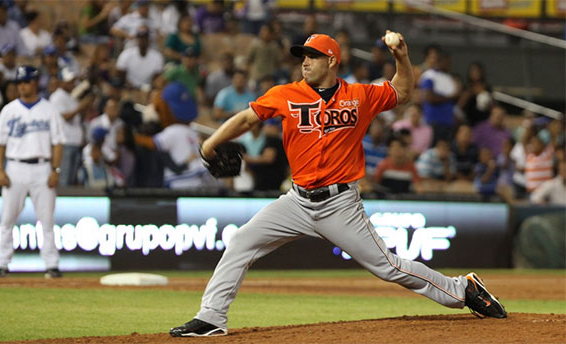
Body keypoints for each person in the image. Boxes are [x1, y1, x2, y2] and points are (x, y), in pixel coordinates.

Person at [169, 32, 506, 337]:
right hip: (296, 201)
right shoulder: (285, 94)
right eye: (303, 56)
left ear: (331, 60)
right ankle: (211, 316)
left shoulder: (358, 95)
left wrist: (401, 57)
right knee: (241, 242)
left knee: (388, 267)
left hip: (339, 204)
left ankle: (463, 289)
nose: (305, 61)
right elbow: (246, 118)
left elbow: (402, 91)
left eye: (313, 56)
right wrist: (210, 144)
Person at [0, 65, 66, 278]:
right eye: (20, 82)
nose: (22, 86)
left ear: (35, 83)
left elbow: (58, 143)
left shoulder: (48, 109)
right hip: (15, 167)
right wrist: (0, 170)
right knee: (7, 219)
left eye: (26, 82)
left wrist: (55, 170)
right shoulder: (9, 110)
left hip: (43, 167)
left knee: (47, 220)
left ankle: (52, 264)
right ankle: (1, 264)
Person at [49, 68, 93, 186]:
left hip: (75, 143)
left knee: (72, 180)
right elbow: (65, 117)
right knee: (64, 179)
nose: (72, 84)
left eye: (73, 81)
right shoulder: (57, 96)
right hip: (65, 143)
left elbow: (78, 120)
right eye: (69, 81)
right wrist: (81, 106)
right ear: (61, 81)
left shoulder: (72, 97)